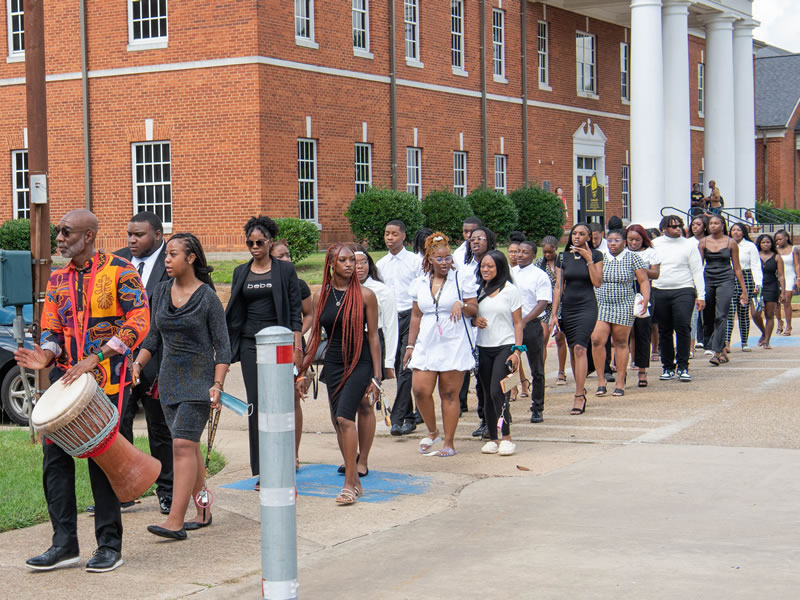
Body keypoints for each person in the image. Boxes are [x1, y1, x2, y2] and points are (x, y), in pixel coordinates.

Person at [16, 209, 149, 572]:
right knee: (54, 461)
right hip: (68, 383)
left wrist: (98, 356)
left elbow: (139, 321)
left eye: (66, 232)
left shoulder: (121, 270)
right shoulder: (57, 278)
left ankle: (109, 545)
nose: (58, 238)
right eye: (58, 232)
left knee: (103, 462)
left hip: (109, 381)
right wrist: (44, 355)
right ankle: (64, 544)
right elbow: (52, 330)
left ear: (89, 236)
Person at [136, 233, 230, 540]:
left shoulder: (208, 298)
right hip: (169, 382)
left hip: (199, 382)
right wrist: (138, 364)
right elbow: (152, 337)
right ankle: (203, 509)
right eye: (166, 255)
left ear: (190, 258)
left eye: (173, 254)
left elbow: (223, 348)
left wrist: (217, 385)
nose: (167, 260)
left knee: (181, 446)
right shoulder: (161, 292)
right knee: (188, 446)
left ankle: (175, 520)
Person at [299, 244, 382, 504]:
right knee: (337, 422)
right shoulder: (320, 296)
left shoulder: (366, 295)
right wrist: (303, 370)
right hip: (333, 362)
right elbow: (314, 337)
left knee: (346, 418)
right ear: (331, 264)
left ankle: (349, 481)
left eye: (354, 261)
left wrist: (377, 377)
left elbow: (375, 338)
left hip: (359, 361)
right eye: (344, 260)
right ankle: (355, 482)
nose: (351, 265)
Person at [224, 216, 303, 489]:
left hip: (278, 344)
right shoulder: (240, 272)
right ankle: (261, 470)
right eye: (250, 242)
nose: (255, 247)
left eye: (260, 242)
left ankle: (284, 460)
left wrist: (297, 346)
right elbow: (235, 310)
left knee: (279, 403)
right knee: (256, 404)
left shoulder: (284, 270)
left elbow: (295, 311)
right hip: (249, 344)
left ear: (270, 242)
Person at [114, 211, 173, 516]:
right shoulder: (119, 261)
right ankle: (124, 492)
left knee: (158, 428)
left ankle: (167, 491)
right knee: (119, 425)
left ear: (159, 236)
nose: (132, 240)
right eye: (130, 235)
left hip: (159, 360)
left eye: (139, 235)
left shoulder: (173, 261)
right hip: (121, 360)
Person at [403, 233, 478, 457]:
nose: (444, 263)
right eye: (439, 259)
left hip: (453, 340)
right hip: (427, 340)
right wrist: (410, 346)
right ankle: (433, 431)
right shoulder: (420, 282)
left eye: (447, 258)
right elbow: (416, 316)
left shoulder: (461, 278)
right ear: (429, 260)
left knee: (449, 393)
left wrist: (462, 304)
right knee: (420, 390)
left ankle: (449, 441)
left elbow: (474, 309)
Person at [473, 251, 524, 456]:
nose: (485, 269)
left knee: (498, 391)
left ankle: (507, 436)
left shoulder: (510, 291)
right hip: (483, 347)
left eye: (490, 266)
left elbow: (518, 322)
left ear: (500, 268)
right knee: (486, 395)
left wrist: (518, 351)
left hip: (505, 346)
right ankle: (493, 438)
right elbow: (472, 314)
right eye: (483, 266)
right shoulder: (478, 290)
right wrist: (475, 319)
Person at [353, 246, 398, 474]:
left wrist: (388, 363)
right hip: (347, 348)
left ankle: (363, 459)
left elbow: (390, 327)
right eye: (354, 262)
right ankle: (349, 454)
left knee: (365, 403)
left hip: (372, 346)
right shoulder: (339, 289)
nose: (358, 267)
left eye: (363, 262)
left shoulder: (381, 291)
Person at [551, 223, 604, 415]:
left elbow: (597, 282)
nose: (577, 237)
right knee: (573, 349)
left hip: (586, 306)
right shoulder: (563, 258)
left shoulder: (596, 256)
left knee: (581, 347)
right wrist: (554, 314)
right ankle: (579, 387)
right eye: (574, 233)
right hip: (568, 307)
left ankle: (579, 395)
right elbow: (558, 287)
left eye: (582, 234)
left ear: (588, 237)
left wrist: (589, 259)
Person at [376, 220, 422, 435]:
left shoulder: (415, 261)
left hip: (410, 316)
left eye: (394, 234)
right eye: (387, 234)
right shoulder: (381, 264)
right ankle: (410, 417)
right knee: (395, 367)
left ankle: (397, 417)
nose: (390, 238)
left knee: (406, 368)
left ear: (403, 236)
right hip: (390, 320)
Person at [590, 230, 650, 397]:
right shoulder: (600, 256)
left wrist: (645, 299)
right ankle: (601, 380)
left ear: (624, 242)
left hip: (623, 303)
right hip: (601, 303)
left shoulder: (633, 258)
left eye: (616, 240)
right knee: (597, 340)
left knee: (621, 341)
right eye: (609, 240)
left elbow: (643, 280)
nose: (612, 244)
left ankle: (621, 380)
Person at [271, 239, 314, 468]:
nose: (286, 260)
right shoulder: (265, 284)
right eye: (280, 257)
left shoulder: (300, 285)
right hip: (270, 348)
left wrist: (297, 334)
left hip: (294, 346)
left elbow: (309, 315)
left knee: (293, 399)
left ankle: (293, 454)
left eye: (288, 255)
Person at [651, 215, 705, 382]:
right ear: (664, 228)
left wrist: (701, 295)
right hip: (660, 289)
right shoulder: (655, 245)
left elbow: (697, 270)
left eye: (680, 226)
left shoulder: (689, 245)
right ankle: (667, 366)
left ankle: (683, 365)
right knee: (664, 329)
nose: (678, 229)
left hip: (684, 289)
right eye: (673, 226)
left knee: (682, 325)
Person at [698, 216, 747, 366]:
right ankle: (720, 349)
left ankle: (717, 352)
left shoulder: (730, 242)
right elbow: (698, 267)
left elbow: (737, 268)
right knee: (709, 315)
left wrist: (743, 290)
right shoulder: (703, 242)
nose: (713, 226)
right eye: (711, 223)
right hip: (708, 278)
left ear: (722, 225)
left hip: (726, 278)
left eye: (716, 223)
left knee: (722, 315)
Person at [514, 240, 552, 422]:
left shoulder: (539, 275)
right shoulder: (510, 274)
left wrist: (525, 320)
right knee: (508, 367)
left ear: (533, 255)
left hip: (531, 325)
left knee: (537, 368)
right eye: (518, 252)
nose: (520, 255)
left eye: (524, 252)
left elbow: (542, 302)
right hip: (512, 326)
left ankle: (537, 407)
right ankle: (505, 406)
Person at [464, 226, 497, 437]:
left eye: (480, 238)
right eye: (471, 238)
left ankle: (498, 417)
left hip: (496, 331)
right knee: (480, 380)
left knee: (496, 380)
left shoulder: (497, 264)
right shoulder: (465, 268)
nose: (474, 241)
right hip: (475, 332)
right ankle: (484, 419)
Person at [625, 225, 660, 387]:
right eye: (630, 239)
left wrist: (639, 271)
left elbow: (656, 273)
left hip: (642, 289)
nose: (633, 243)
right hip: (625, 290)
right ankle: (624, 366)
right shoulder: (622, 252)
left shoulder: (650, 253)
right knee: (624, 331)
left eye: (637, 240)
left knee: (643, 330)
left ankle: (642, 370)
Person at [535, 236, 568, 386]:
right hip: (544, 304)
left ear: (556, 248)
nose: (547, 255)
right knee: (543, 338)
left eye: (550, 252)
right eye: (545, 252)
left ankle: (561, 371)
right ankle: (540, 372)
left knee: (560, 337)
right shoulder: (539, 264)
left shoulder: (563, 262)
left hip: (561, 302)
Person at [725, 224, 762, 352]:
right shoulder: (726, 243)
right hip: (729, 276)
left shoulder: (749, 246)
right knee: (729, 311)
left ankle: (744, 342)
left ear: (743, 232)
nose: (736, 232)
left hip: (746, 277)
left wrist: (757, 283)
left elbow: (755, 265)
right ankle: (727, 342)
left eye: (738, 230)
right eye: (733, 230)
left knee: (743, 312)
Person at [752, 234, 786, 349]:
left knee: (769, 314)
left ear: (771, 244)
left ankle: (767, 340)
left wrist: (783, 291)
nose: (766, 244)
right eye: (763, 242)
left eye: (768, 242)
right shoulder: (755, 256)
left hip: (772, 286)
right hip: (758, 287)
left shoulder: (777, 257)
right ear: (759, 244)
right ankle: (763, 332)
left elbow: (781, 276)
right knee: (755, 313)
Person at [688, 215, 709, 353]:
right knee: (694, 314)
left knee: (708, 313)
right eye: (693, 224)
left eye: (698, 224)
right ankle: (692, 344)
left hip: (710, 277)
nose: (695, 227)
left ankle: (708, 341)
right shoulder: (688, 243)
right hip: (694, 279)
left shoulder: (711, 241)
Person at [775, 230, 800, 336]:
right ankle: (779, 321)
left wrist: (798, 278)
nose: (778, 241)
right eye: (776, 240)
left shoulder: (793, 249)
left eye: (780, 239)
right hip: (777, 277)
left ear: (786, 238)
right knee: (776, 302)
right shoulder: (775, 250)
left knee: (786, 301)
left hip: (789, 276)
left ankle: (789, 325)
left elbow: (797, 264)